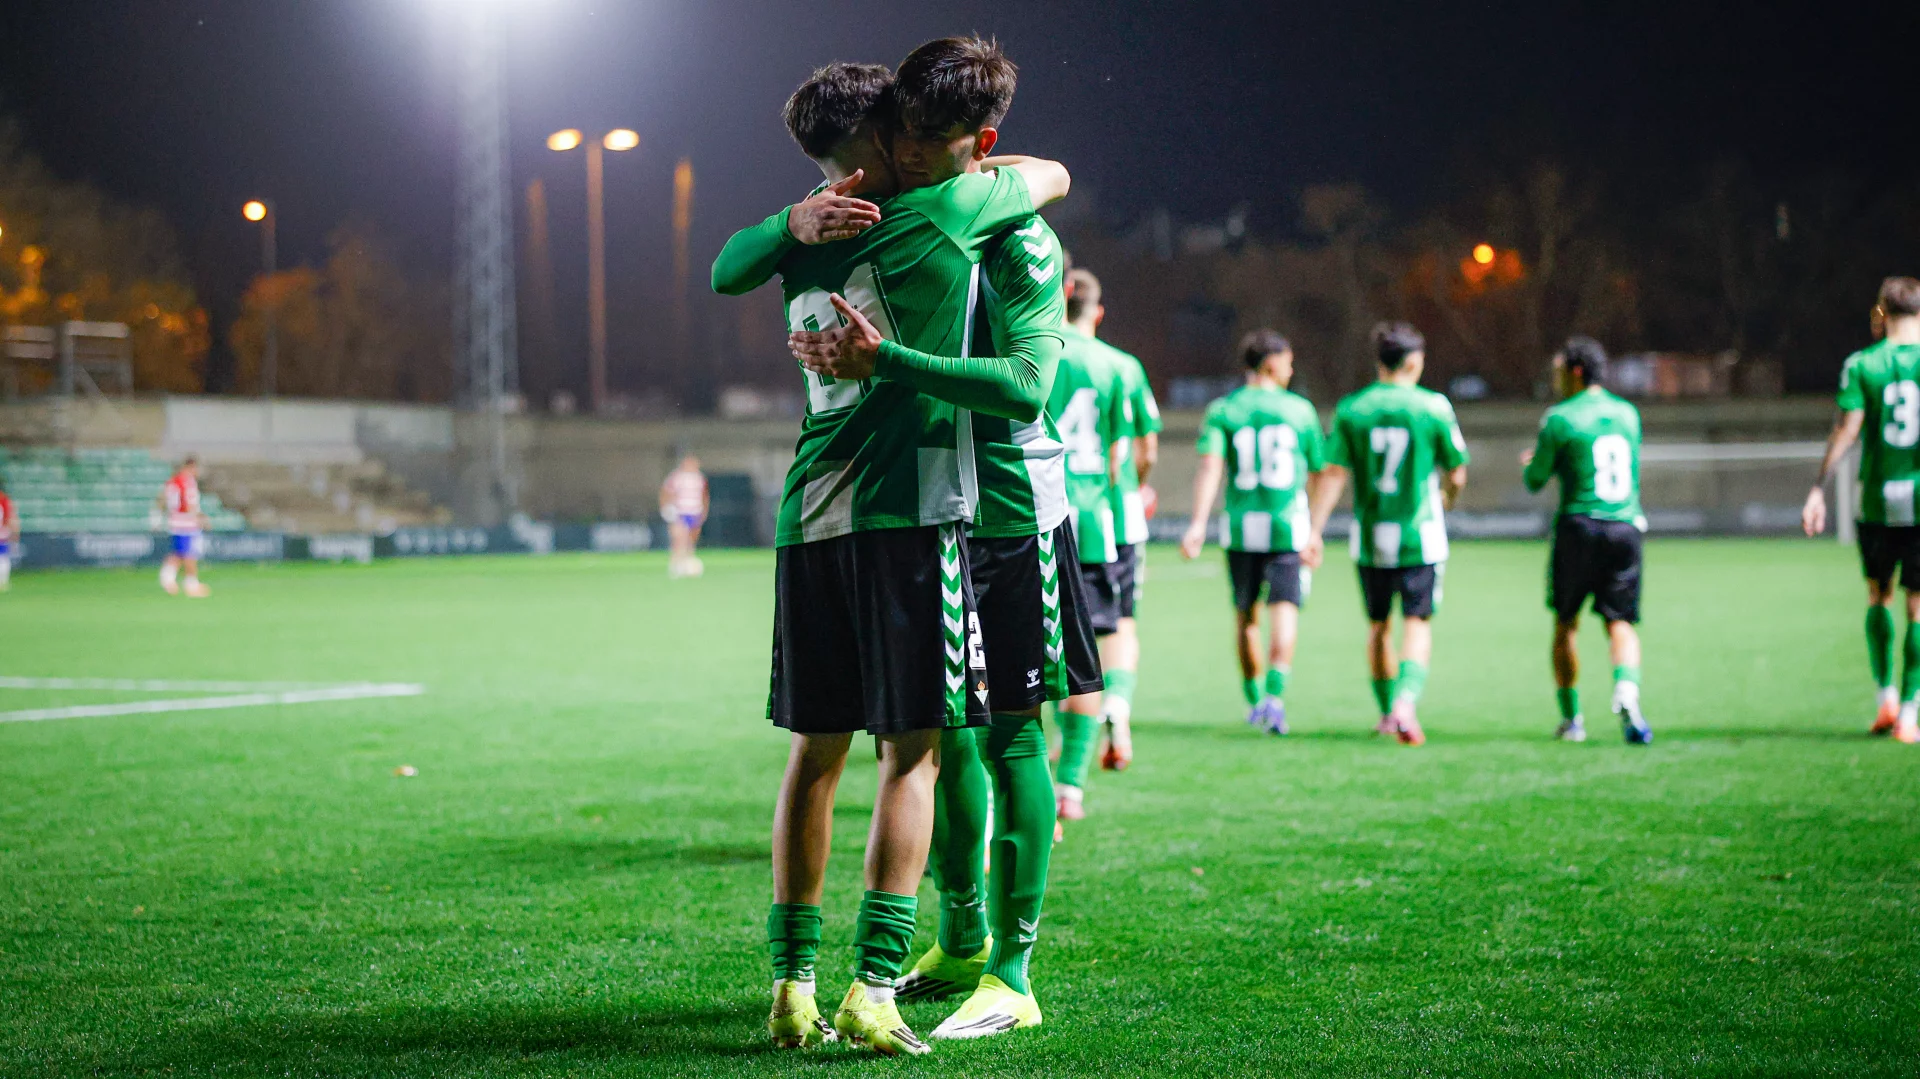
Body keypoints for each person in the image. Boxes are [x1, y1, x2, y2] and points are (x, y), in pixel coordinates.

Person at [710, 59, 1071, 1055]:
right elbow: (1049, 173)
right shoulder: (947, 212)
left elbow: (722, 267)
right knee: (920, 751)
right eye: (899, 133)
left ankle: (793, 983)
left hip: (810, 514)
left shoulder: (801, 238)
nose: (913, 148)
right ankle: (877, 982)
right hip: (920, 517)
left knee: (815, 756)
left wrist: (791, 219)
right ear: (881, 144)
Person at [1306, 322, 1468, 746]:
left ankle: (1383, 712)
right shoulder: (1433, 406)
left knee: (1378, 626)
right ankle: (1405, 704)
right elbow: (1457, 470)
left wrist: (1315, 529)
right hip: (1421, 536)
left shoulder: (1352, 409)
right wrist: (1449, 496)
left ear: (1380, 361)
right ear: (1414, 362)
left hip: (1371, 537)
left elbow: (1334, 473)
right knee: (1417, 621)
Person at [1181, 330, 1326, 734]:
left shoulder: (1224, 409)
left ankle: (1254, 699)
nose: (1291, 369)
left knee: (1246, 616)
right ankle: (1276, 699)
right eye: (1288, 361)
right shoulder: (1299, 411)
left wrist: (1197, 523)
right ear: (1271, 363)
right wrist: (1314, 529)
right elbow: (1317, 472)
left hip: (1241, 528)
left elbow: (1211, 467)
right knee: (1285, 611)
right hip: (1286, 527)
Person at [1803, 275, 1920, 743]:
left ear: (1881, 313)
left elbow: (1848, 429)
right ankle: (1910, 714)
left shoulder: (1862, 364)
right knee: (1917, 608)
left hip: (1875, 500)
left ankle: (1884, 699)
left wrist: (1818, 488)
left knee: (1879, 597)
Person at [1521, 337, 1653, 744]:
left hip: (1580, 526)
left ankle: (1572, 719)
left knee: (1566, 624)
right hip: (1625, 527)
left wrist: (1534, 462)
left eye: (1560, 370)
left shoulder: (1560, 418)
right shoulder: (1628, 414)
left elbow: (1535, 479)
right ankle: (1626, 693)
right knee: (1621, 623)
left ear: (1576, 372)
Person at [1048, 268, 1128, 823]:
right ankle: (1070, 787)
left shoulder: (1034, 349)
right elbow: (1121, 454)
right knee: (1089, 657)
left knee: (1023, 659)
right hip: (1093, 524)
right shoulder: (1116, 365)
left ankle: (1011, 787)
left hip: (1031, 517)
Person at [1074, 271, 1161, 769]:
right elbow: (1136, 446)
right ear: (1098, 312)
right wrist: (1137, 481)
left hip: (1043, 512)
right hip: (1110, 515)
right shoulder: (1121, 366)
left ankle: (1055, 758)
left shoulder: (1031, 353)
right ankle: (1117, 707)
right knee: (1119, 624)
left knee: (1056, 638)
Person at [158, 456, 210, 598]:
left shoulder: (172, 481)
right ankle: (191, 585)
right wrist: (201, 518)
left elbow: (162, 500)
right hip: (186, 524)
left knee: (179, 553)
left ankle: (167, 578)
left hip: (175, 522)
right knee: (189, 554)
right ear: (191, 467)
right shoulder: (187, 482)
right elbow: (188, 505)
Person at [658, 453, 710, 578]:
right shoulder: (676, 477)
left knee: (691, 540)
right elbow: (666, 492)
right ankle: (675, 563)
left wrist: (704, 511)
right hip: (680, 511)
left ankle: (688, 561)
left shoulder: (700, 478)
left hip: (694, 511)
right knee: (679, 538)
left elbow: (705, 495)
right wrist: (665, 508)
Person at [0, 481, 15, 591]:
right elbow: (8, 517)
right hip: (2, 533)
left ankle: (3, 582)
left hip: (2, 533)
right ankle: (3, 582)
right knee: (3, 558)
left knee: (3, 558)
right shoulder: (3, 499)